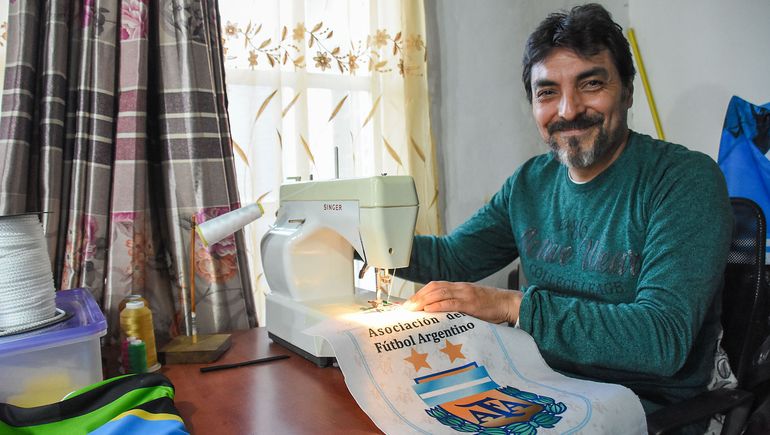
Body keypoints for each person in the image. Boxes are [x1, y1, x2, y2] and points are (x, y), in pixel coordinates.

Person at [400, 2, 734, 420]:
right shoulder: (530, 182)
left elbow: (661, 339)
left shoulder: (684, 180)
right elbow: (452, 258)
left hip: (645, 409)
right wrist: (361, 237)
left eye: (591, 84)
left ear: (627, 91)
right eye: (547, 92)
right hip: (537, 387)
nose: (568, 110)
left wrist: (515, 307)